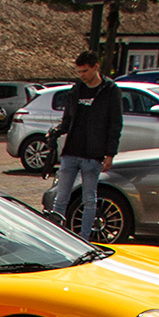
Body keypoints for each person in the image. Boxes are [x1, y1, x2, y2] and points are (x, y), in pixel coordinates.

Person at [50, 51, 122, 240]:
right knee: (61, 198)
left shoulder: (109, 90)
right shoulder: (76, 90)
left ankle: (84, 238)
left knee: (89, 199)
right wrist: (57, 130)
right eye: (79, 72)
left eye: (85, 71)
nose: (82, 75)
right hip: (72, 151)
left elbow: (115, 124)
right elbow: (67, 120)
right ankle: (56, 238)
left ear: (96, 67)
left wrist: (109, 154)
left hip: (93, 153)